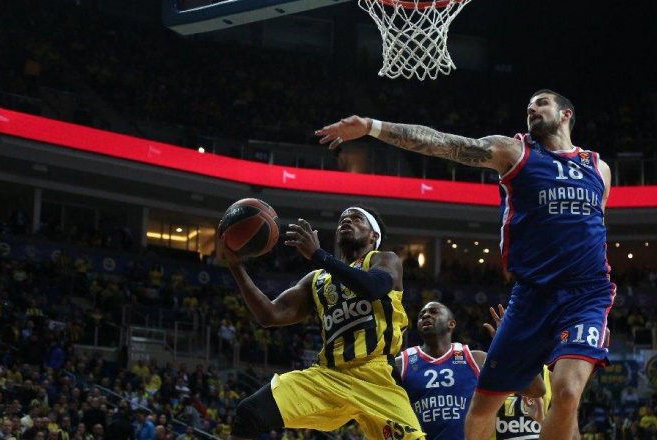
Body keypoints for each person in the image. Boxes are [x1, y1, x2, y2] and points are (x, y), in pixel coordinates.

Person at [317, 89, 616, 439]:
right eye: (528, 106)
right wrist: (373, 126)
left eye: (542, 103)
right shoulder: (515, 152)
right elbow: (443, 143)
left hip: (586, 295)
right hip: (531, 297)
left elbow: (590, 232)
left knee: (566, 395)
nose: (532, 108)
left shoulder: (599, 168)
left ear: (566, 114)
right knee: (480, 412)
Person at [222, 206, 423, 439]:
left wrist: (318, 254)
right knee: (249, 413)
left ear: (373, 236)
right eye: (342, 220)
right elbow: (270, 315)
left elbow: (373, 287)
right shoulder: (318, 279)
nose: (346, 221)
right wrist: (236, 266)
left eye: (357, 219)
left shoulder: (384, 259)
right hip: (328, 376)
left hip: (376, 377)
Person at [396, 302, 545, 439]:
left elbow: (535, 389)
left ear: (451, 323)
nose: (426, 315)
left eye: (434, 311)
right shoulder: (401, 363)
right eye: (422, 314)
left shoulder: (476, 359)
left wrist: (509, 344)